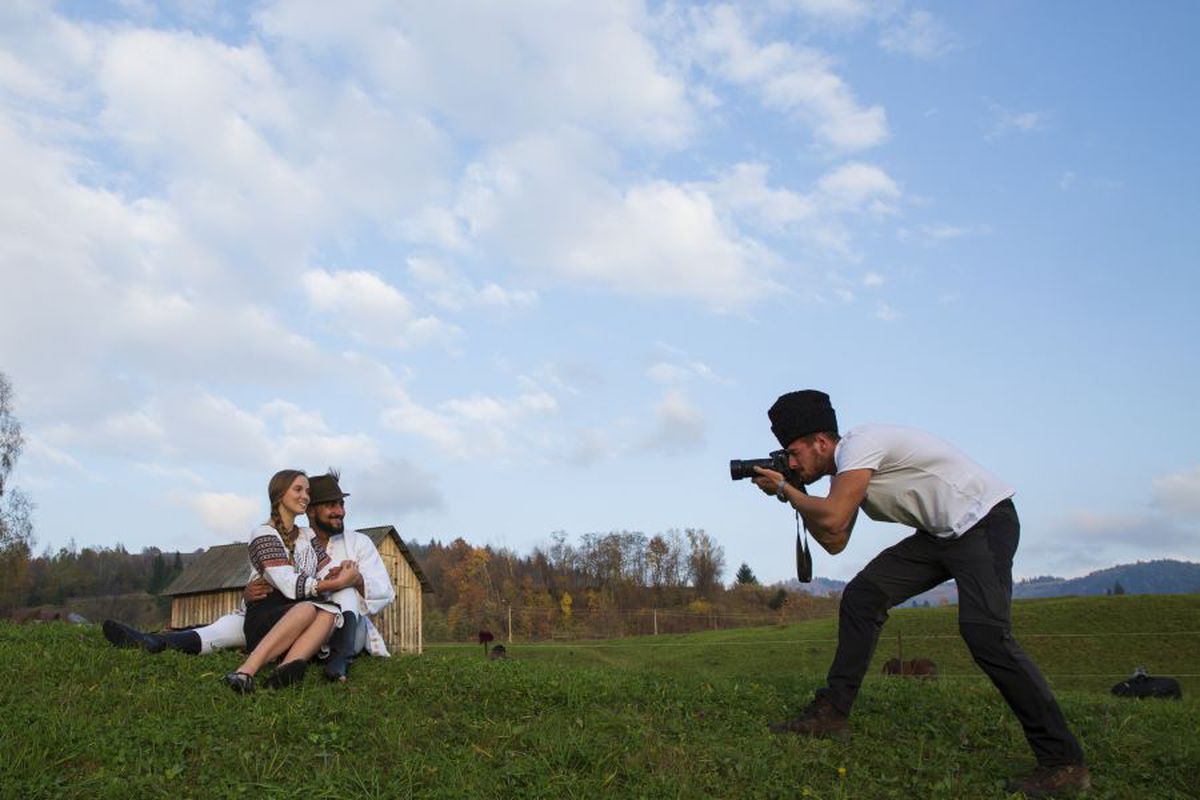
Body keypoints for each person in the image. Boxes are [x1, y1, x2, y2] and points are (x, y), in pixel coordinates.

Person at [750, 390, 1089, 798]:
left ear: (821, 442)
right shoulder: (850, 473)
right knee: (862, 597)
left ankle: (1064, 763)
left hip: (983, 521)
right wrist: (795, 496)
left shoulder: (860, 446)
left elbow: (834, 516)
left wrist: (789, 490)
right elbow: (835, 540)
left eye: (793, 452)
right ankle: (831, 713)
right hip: (940, 536)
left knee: (985, 634)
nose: (791, 462)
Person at [101, 472, 395, 677]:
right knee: (226, 629)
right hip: (290, 615)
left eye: (342, 504)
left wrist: (353, 580)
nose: (340, 511)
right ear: (312, 510)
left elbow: (384, 592)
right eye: (331, 505)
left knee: (341, 593)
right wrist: (247, 593)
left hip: (339, 626)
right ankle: (156, 642)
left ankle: (332, 659)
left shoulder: (359, 544)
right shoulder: (284, 537)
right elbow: (275, 582)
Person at [223, 469, 360, 693]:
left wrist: (342, 570)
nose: (305, 496)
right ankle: (245, 672)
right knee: (308, 609)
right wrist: (336, 583)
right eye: (298, 489)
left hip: (297, 612)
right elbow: (288, 584)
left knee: (329, 613)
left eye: (307, 491)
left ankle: (284, 674)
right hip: (267, 615)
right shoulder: (263, 534)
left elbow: (324, 569)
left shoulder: (308, 535)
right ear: (279, 495)